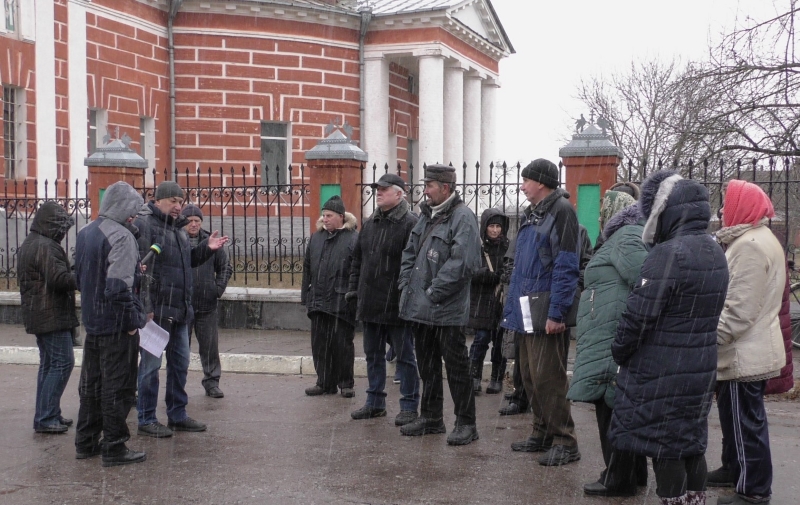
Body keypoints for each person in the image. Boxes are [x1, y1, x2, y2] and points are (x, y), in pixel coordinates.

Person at [609, 171, 729, 505]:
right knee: (690, 443)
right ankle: (695, 500)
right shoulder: (714, 250)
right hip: (699, 365)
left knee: (665, 446)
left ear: (666, 209)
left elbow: (639, 316)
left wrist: (619, 350)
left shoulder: (667, 254)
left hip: (662, 368)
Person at [566, 190, 648, 497]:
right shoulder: (624, 237)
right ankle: (632, 473)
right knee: (617, 404)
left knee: (611, 406)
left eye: (604, 209)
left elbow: (645, 281)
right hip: (607, 330)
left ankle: (618, 478)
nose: (600, 214)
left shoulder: (626, 236)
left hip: (611, 333)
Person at [501, 158, 581, 466]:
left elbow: (566, 265)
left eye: (526, 180)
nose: (522, 186)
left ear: (541, 183)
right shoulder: (532, 213)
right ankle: (542, 432)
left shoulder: (561, 212)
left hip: (545, 309)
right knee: (529, 377)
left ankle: (565, 441)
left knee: (549, 378)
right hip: (526, 309)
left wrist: (557, 313)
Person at [709, 180, 784, 505]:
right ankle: (733, 469)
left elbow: (739, 311)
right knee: (737, 420)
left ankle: (753, 490)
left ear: (741, 207)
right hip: (746, 349)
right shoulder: (755, 239)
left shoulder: (750, 245)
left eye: (727, 203)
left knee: (745, 424)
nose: (722, 210)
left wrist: (709, 339)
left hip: (744, 354)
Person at [135, 181, 229, 438]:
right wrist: (146, 308)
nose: (178, 206)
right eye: (173, 201)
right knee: (151, 367)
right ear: (158, 201)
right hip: (157, 314)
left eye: (181, 201)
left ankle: (177, 414)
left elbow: (185, 262)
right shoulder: (146, 225)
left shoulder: (178, 229)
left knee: (180, 365)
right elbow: (142, 270)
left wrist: (206, 249)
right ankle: (146, 418)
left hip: (180, 311)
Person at [397, 164, 482, 446]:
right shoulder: (426, 215)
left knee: (457, 368)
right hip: (422, 308)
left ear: (445, 188)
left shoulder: (463, 217)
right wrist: (405, 284)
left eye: (430, 185)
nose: (425, 191)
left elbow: (463, 263)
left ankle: (466, 423)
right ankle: (432, 418)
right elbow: (410, 253)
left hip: (446, 309)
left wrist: (433, 292)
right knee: (428, 366)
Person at [74, 182, 148, 466]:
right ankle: (114, 446)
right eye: (133, 210)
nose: (135, 216)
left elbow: (80, 279)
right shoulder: (122, 236)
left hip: (93, 323)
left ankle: (86, 442)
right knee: (118, 388)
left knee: (91, 386)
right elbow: (117, 288)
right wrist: (132, 322)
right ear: (124, 209)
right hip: (116, 327)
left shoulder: (86, 232)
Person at [347, 173, 420, 425]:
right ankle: (375, 402)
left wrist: (407, 297)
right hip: (370, 302)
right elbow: (357, 260)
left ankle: (409, 405)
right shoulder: (370, 223)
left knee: (405, 357)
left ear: (399, 194)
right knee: (373, 355)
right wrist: (354, 290)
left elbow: (415, 266)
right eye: (377, 188)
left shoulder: (410, 223)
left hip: (397, 304)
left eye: (384, 189)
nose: (378, 192)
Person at [19, 201, 79, 434]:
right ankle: (46, 417)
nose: (63, 234)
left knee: (49, 364)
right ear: (52, 225)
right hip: (51, 314)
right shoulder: (46, 246)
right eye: (61, 228)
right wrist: (82, 275)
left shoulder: (32, 242)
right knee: (63, 363)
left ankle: (48, 413)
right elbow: (59, 280)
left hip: (41, 313)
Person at [301, 195, 358, 398]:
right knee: (320, 345)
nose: (325, 219)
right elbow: (307, 267)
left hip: (341, 302)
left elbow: (357, 270)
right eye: (323, 215)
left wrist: (353, 296)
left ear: (341, 216)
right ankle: (324, 382)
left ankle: (346, 383)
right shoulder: (317, 237)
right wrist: (305, 295)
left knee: (342, 345)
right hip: (318, 301)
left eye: (329, 215)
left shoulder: (353, 238)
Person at [182, 204, 232, 399]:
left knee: (210, 347)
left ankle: (212, 382)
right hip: (183, 306)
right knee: (180, 349)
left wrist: (217, 289)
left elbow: (225, 267)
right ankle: (178, 384)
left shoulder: (211, 241)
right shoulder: (177, 240)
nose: (194, 224)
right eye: (190, 221)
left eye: (197, 221)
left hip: (207, 304)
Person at [467, 208, 509, 395]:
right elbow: (469, 271)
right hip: (482, 301)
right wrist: (486, 275)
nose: (495, 230)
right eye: (491, 226)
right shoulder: (477, 247)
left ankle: (496, 379)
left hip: (501, 302)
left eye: (498, 226)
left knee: (500, 342)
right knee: (481, 339)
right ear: (484, 227)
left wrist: (504, 276)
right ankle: (473, 378)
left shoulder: (508, 247)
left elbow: (512, 268)